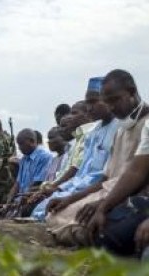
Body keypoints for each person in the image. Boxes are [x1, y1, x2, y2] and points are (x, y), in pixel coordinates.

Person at [45, 69, 149, 248]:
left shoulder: (145, 124)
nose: (112, 107)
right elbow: (106, 177)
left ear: (132, 92)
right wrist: (71, 198)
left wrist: (103, 205)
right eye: (108, 102)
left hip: (129, 195)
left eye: (115, 100)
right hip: (111, 193)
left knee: (106, 232)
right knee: (56, 215)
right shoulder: (121, 131)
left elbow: (136, 175)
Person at [30, 77, 119, 221]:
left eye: (94, 102)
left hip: (102, 190)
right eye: (88, 102)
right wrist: (62, 190)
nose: (90, 108)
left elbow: (106, 177)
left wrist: (70, 195)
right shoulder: (92, 132)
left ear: (109, 100)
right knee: (40, 210)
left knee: (56, 215)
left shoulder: (120, 128)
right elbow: (81, 173)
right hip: (80, 188)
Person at [0, 128, 52, 218]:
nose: (19, 148)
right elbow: (17, 184)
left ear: (32, 141)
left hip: (34, 198)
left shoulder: (45, 157)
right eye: (18, 144)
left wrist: (20, 201)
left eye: (21, 144)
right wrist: (8, 203)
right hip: (21, 199)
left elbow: (38, 184)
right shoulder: (23, 159)